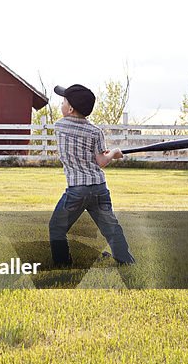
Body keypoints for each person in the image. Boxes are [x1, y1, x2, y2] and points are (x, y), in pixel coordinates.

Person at [48, 83, 135, 266]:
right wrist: (114, 153)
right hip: (99, 188)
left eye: (63, 102)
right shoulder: (96, 132)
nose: (61, 105)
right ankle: (126, 261)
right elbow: (101, 162)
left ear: (70, 108)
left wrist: (110, 153)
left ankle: (63, 264)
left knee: (57, 227)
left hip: (77, 190)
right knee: (111, 228)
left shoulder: (59, 127)